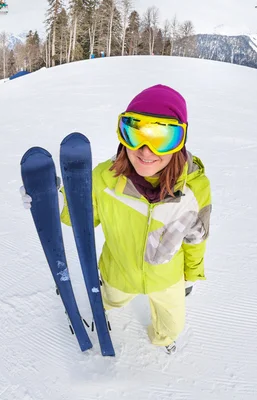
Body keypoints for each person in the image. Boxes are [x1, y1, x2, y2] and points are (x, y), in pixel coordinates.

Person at [22, 84, 211, 354]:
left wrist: (191, 275)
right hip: (118, 272)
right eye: (134, 133)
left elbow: (196, 238)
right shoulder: (105, 179)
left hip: (167, 278)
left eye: (162, 138)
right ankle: (103, 312)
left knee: (172, 326)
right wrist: (55, 202)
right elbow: (82, 218)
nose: (146, 151)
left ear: (180, 141)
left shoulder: (195, 189)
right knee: (109, 299)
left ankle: (163, 338)